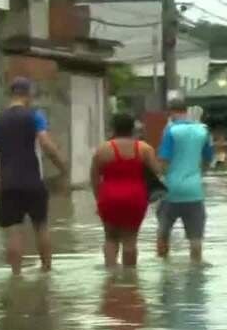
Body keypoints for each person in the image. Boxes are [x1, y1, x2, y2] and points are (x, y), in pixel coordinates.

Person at [0, 77, 68, 275]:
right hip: (33, 181)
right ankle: (47, 272)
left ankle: (16, 276)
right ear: (28, 93)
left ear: (11, 93)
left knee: (14, 230)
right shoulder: (35, 116)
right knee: (41, 226)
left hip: (8, 184)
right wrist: (63, 168)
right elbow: (47, 145)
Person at [91, 112, 165, 268]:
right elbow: (158, 170)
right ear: (133, 129)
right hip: (135, 198)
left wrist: (99, 200)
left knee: (110, 238)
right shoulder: (144, 148)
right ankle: (130, 279)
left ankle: (111, 276)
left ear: (113, 128)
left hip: (109, 198)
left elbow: (94, 178)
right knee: (130, 240)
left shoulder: (103, 150)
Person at [156, 96, 215, 263]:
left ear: (171, 112)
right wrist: (198, 174)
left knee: (163, 233)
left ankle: (163, 267)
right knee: (196, 240)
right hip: (194, 191)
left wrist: (158, 180)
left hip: (171, 191)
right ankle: (196, 272)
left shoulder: (171, 131)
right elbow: (208, 159)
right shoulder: (204, 130)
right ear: (186, 111)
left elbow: (164, 162)